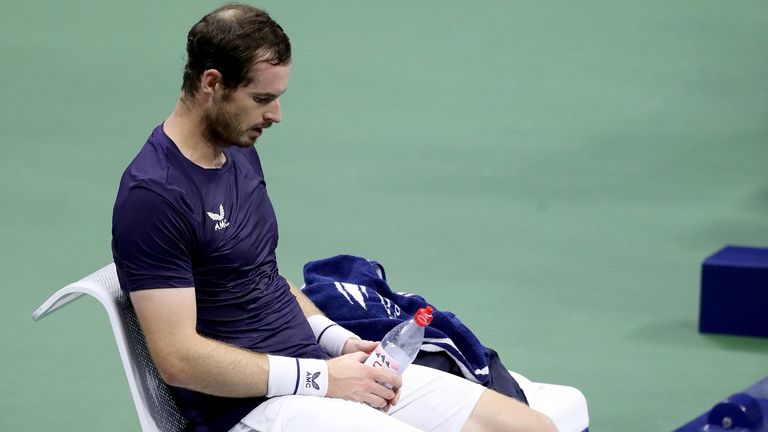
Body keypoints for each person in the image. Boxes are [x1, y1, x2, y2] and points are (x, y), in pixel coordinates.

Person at [111, 4, 557, 432]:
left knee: (533, 427)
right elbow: (178, 358)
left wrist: (336, 339)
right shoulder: (154, 195)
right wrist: (320, 379)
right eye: (262, 98)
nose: (276, 115)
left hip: (318, 373)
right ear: (213, 83)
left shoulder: (237, 152)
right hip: (254, 412)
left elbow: (261, 275)